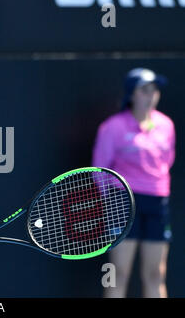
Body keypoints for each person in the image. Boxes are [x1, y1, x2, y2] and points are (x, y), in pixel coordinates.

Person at [93, 68, 175, 298]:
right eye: (145, 90)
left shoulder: (166, 125)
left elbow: (167, 161)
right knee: (118, 273)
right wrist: (110, 202)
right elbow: (99, 169)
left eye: (154, 90)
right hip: (123, 201)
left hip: (157, 202)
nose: (151, 95)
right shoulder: (113, 127)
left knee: (156, 274)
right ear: (132, 94)